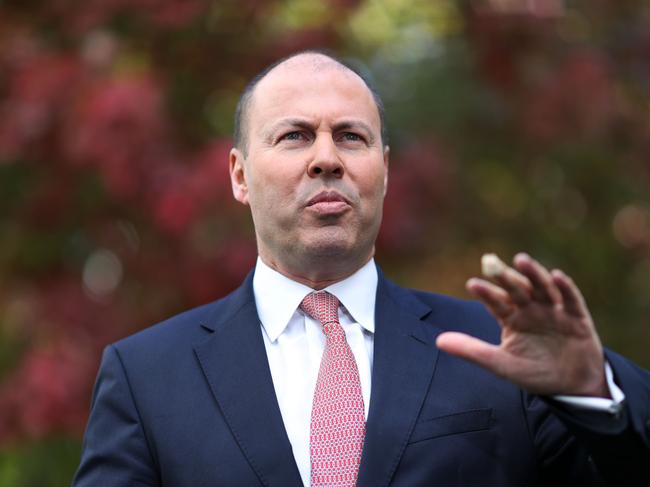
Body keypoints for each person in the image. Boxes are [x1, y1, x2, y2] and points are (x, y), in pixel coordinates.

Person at [72, 51, 650, 487]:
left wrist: (592, 394)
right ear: (240, 175)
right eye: (295, 136)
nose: (327, 157)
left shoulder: (502, 350)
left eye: (351, 136)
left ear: (384, 169)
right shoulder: (146, 378)